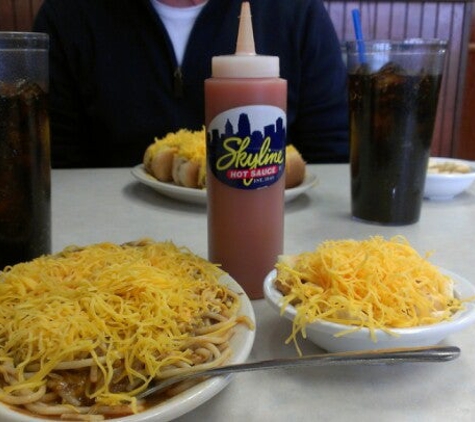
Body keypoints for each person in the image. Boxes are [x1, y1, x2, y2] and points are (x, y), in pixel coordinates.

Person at [33, 0, 348, 168]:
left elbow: (332, 155)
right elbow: (56, 166)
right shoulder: (67, 15)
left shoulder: (298, 12)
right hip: (111, 245)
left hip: (269, 239)